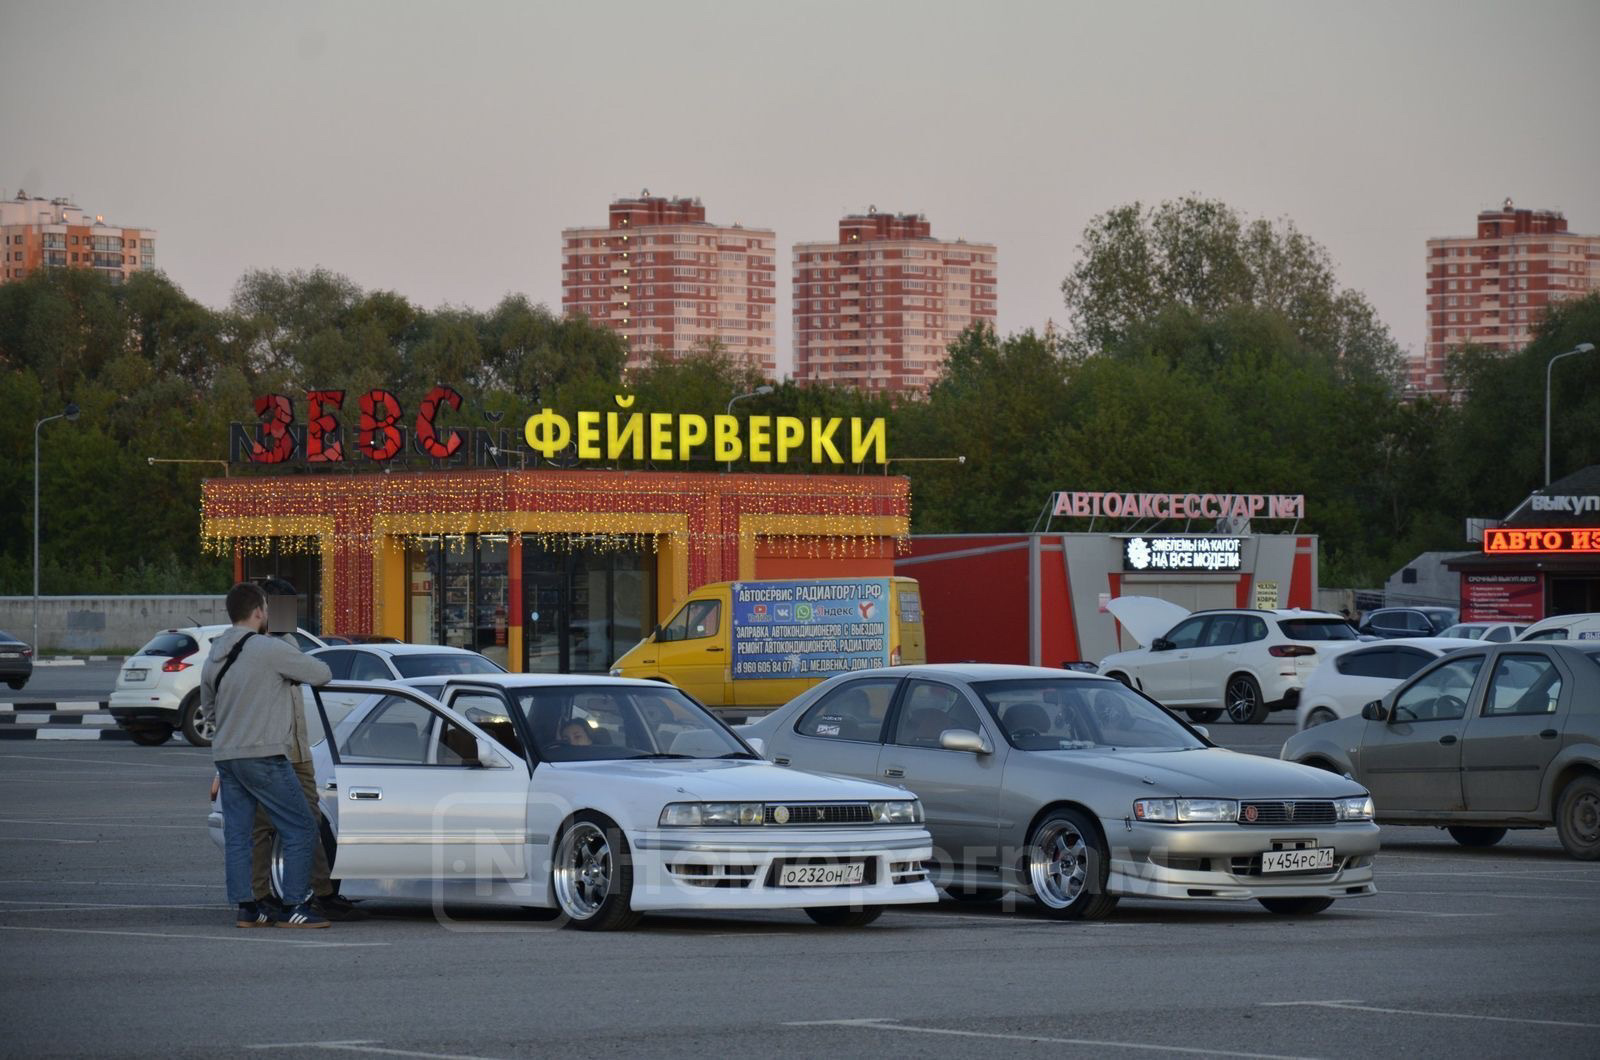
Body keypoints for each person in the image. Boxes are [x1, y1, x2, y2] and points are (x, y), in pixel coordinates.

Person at [204, 582, 334, 929]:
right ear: (260, 612)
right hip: (264, 755)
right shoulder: (267, 648)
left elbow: (209, 711)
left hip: (227, 757)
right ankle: (295, 903)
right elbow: (321, 674)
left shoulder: (215, 651)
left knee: (240, 834)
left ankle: (248, 908)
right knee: (302, 825)